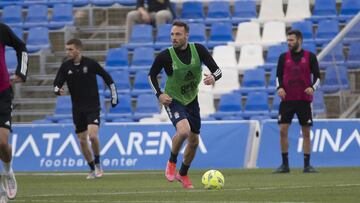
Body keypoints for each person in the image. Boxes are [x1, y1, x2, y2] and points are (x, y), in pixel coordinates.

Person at [148, 21, 222, 189]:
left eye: (178, 34)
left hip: (191, 100)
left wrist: (213, 78)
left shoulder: (199, 50)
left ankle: (183, 174)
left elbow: (217, 71)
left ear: (186, 35)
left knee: (194, 141)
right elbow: (151, 76)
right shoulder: (165, 56)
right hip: (173, 100)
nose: (174, 38)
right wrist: (159, 94)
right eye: (172, 34)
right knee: (183, 131)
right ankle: (172, 162)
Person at [53, 39, 118, 179]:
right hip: (77, 109)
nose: (68, 52)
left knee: (92, 136)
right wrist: (58, 90)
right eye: (67, 49)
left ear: (78, 49)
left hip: (93, 106)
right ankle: (92, 169)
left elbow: (108, 78)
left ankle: (98, 164)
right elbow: (56, 83)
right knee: (82, 140)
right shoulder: (65, 66)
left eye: (70, 49)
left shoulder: (90, 63)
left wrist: (114, 96)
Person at [274, 29, 321, 173]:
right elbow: (278, 77)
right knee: (283, 130)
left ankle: (307, 165)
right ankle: (285, 165)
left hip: (303, 100)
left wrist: (312, 88)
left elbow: (318, 77)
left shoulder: (310, 57)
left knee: (306, 132)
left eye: (291, 40)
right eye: (288, 40)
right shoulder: (283, 57)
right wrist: (280, 88)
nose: (289, 43)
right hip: (287, 100)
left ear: (299, 40)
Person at [0, 23, 28, 201]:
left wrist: (22, 72)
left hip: (2, 93)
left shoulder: (1, 29)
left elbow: (21, 47)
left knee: (2, 143)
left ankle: (8, 171)